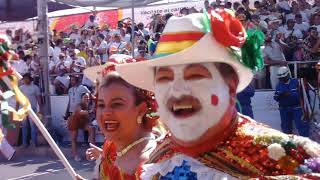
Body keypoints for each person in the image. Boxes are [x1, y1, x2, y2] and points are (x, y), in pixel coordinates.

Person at [116, 10, 320, 179]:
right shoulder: (158, 157)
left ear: (230, 86)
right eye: (164, 79)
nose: (177, 90)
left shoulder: (295, 159)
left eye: (195, 76)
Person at [78, 54, 161, 179]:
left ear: (141, 110)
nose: (106, 112)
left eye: (116, 104)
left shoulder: (153, 166)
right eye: (101, 105)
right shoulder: (110, 147)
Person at [274, 66, 310, 137]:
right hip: (284, 109)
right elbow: (276, 97)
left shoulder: (297, 82)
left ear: (288, 74)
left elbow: (303, 95)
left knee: (302, 126)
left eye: (283, 77)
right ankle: (288, 145)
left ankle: (306, 143)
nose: (282, 79)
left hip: (297, 108)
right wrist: (280, 96)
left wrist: (290, 94)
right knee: (286, 128)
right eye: (280, 78)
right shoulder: (278, 85)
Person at [68, 92, 95, 161]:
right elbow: (80, 112)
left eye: (88, 97)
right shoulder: (78, 105)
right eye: (85, 97)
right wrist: (89, 111)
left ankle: (93, 151)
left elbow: (88, 118)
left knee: (92, 129)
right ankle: (75, 155)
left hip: (82, 123)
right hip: (73, 122)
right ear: (81, 98)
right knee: (74, 139)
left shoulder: (88, 105)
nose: (87, 98)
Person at [17, 73, 42, 148]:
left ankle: (34, 143)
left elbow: (39, 99)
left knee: (33, 126)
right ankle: (25, 143)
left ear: (30, 79)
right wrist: (16, 110)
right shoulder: (21, 88)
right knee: (24, 127)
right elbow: (18, 100)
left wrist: (40, 109)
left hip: (32, 109)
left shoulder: (35, 88)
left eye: (27, 78)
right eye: (24, 79)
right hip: (23, 110)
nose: (25, 80)